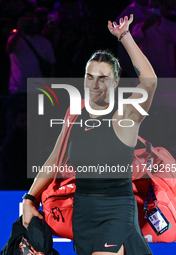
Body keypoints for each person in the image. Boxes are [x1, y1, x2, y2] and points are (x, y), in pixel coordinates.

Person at [22, 14, 156, 255]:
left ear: (115, 82)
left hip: (117, 211)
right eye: (90, 77)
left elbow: (149, 82)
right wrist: (29, 198)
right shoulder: (74, 114)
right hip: (83, 213)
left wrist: (125, 37)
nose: (94, 85)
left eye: (103, 78)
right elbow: (54, 160)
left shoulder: (125, 114)